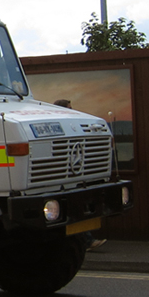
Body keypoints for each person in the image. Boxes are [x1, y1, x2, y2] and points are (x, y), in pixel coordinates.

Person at [55, 99, 106, 249]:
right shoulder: (61, 129)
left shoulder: (70, 128)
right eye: (69, 109)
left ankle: (86, 241)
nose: (73, 111)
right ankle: (87, 241)